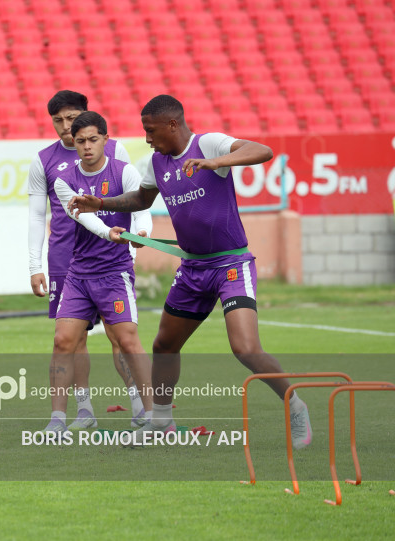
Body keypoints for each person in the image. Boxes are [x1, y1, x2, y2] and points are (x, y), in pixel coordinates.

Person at [68, 95, 312, 448]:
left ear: (172, 125)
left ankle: (295, 403)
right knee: (164, 344)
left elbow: (262, 150)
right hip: (194, 268)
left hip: (230, 265)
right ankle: (161, 422)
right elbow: (141, 199)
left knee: (244, 348)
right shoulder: (156, 162)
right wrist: (102, 204)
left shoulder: (208, 144)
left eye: (151, 131)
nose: (148, 138)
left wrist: (217, 162)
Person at [28, 91, 150, 431]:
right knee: (69, 338)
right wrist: (34, 265)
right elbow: (38, 216)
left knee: (118, 334)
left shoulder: (117, 153)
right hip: (66, 259)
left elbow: (137, 201)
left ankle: (141, 405)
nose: (67, 128)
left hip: (110, 259)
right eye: (59, 121)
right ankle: (83, 411)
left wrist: (135, 243)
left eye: (73, 119)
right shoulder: (44, 161)